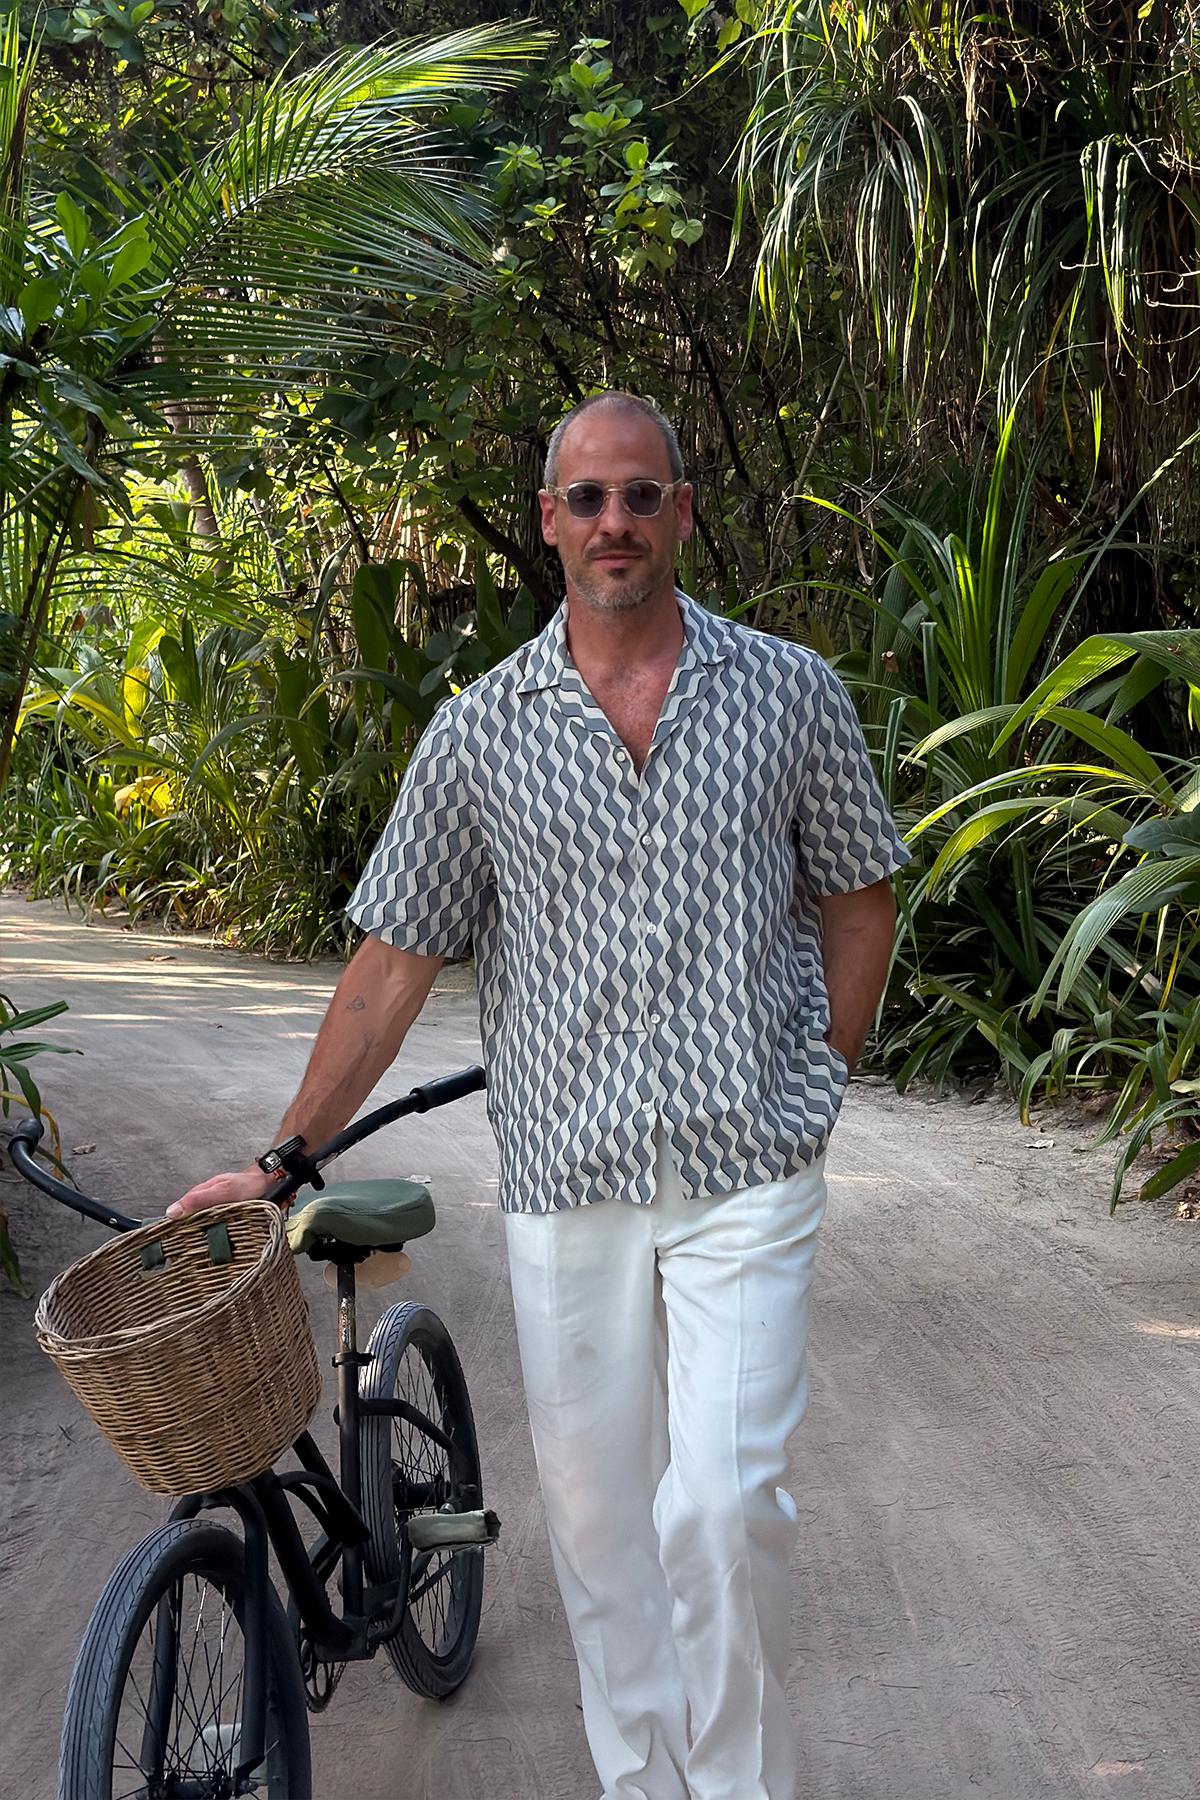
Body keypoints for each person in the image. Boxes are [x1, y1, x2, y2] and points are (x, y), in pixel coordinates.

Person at [169, 391, 909, 1800]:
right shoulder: (481, 735)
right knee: (596, 1524)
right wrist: (282, 1159)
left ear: (682, 511)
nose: (614, 521)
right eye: (587, 499)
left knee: (723, 1506)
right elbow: (390, 966)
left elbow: (859, 892)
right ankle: (642, 1782)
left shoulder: (788, 693)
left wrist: (825, 1068)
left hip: (747, 1169)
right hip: (569, 1177)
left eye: (640, 494)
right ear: (551, 524)